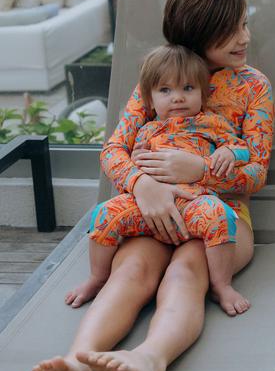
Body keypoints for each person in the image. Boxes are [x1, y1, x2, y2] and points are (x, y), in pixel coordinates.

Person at [29, 0, 273, 371]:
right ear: (198, 32)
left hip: (220, 218)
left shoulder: (253, 86)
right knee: (130, 272)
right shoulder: (158, 78)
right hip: (151, 213)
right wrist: (144, 185)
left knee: (184, 274)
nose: (245, 37)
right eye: (232, 29)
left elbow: (256, 171)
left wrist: (201, 170)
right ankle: (77, 366)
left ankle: (149, 361)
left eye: (244, 25)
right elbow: (113, 151)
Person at [65, 44, 252, 317]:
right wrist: (137, 162)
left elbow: (243, 148)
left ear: (202, 94)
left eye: (188, 88)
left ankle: (221, 285)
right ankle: (98, 277)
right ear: (150, 101)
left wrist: (230, 152)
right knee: (104, 214)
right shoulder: (146, 129)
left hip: (193, 202)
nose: (178, 98)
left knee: (220, 216)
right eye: (165, 90)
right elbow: (126, 167)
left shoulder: (211, 123)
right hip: (148, 208)